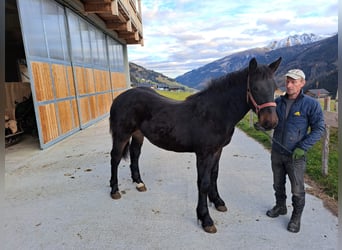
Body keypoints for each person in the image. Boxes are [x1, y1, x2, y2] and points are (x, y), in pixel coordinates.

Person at [266, 69, 325, 233]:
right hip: (277, 152)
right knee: (278, 184)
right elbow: (272, 122)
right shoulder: (278, 102)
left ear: (302, 83)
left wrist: (302, 147)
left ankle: (296, 217)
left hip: (295, 155)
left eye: (293, 82)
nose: (289, 85)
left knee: (297, 188)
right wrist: (263, 125)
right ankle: (280, 206)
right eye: (287, 81)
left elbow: (319, 128)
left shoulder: (311, 104)